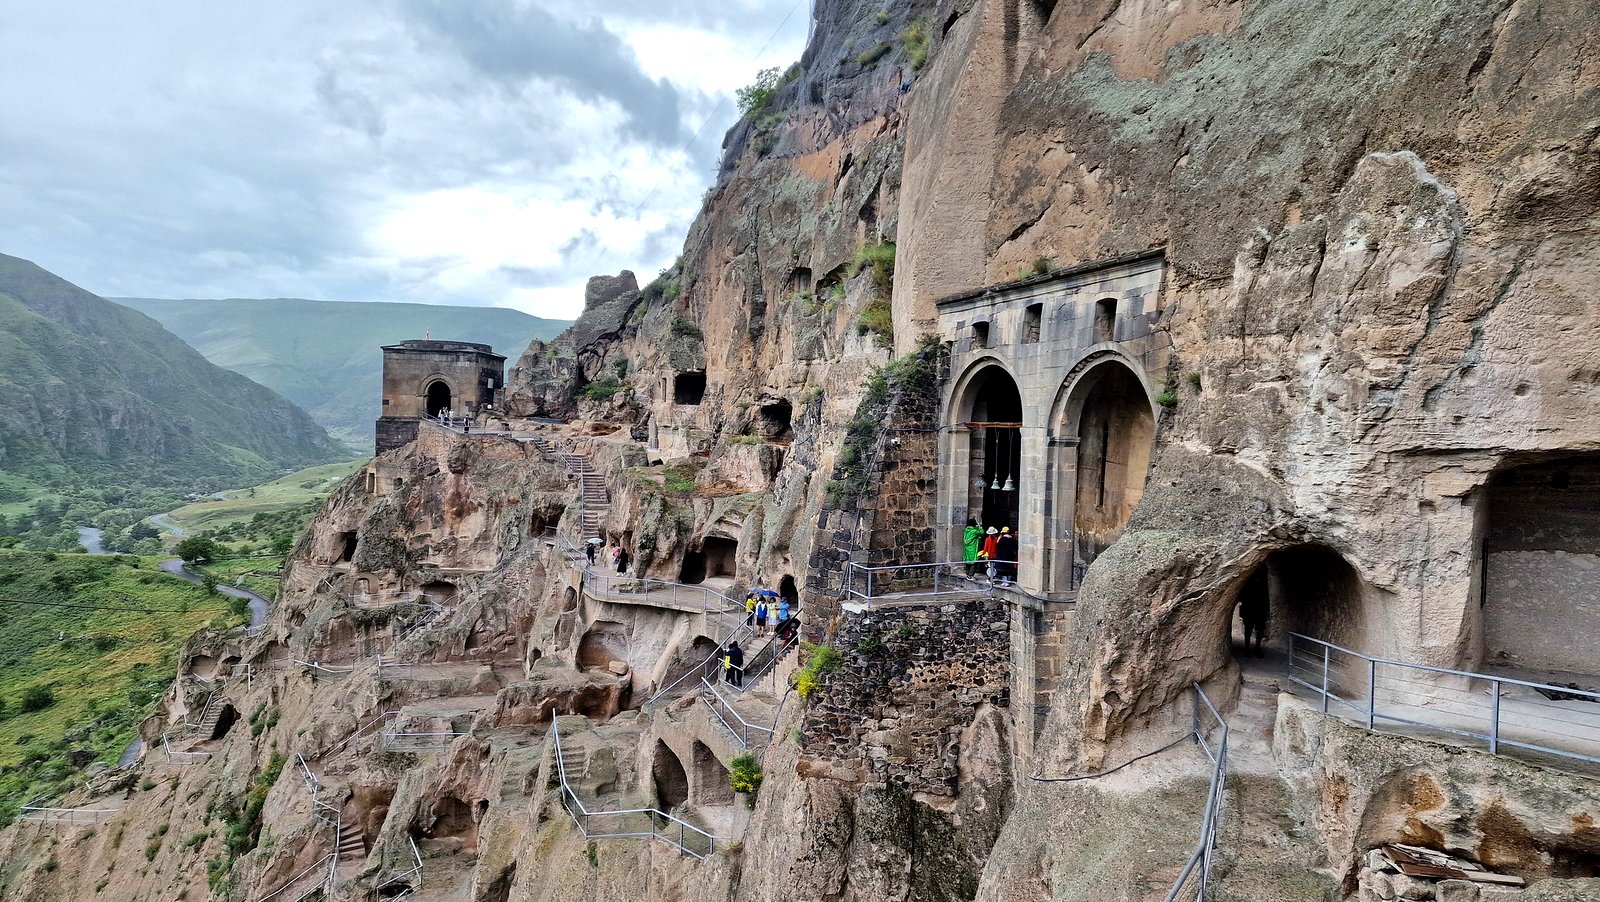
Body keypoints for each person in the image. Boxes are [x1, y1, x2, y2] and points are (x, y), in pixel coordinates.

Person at [1239, 573, 1269, 658]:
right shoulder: (1247, 578)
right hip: (1249, 607)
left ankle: (1257, 647)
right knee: (1249, 628)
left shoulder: (1262, 578)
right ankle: (1248, 647)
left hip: (1259, 607)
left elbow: (1265, 594)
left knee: (1260, 629)